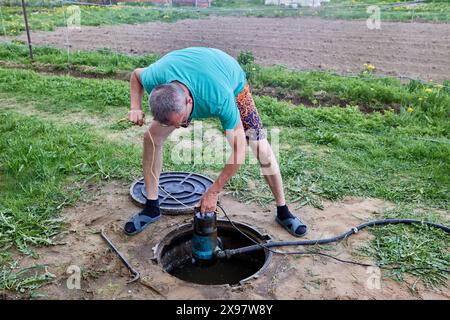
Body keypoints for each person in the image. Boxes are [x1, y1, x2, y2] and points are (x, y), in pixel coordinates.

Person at [124, 47, 307, 237]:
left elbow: (239, 150)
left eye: (181, 122)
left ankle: (283, 211)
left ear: (188, 101)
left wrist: (213, 191)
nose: (178, 128)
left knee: (260, 147)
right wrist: (135, 106)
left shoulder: (220, 97)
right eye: (173, 124)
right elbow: (136, 75)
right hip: (188, 72)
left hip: (230, 80)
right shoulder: (156, 76)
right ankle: (151, 208)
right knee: (151, 138)